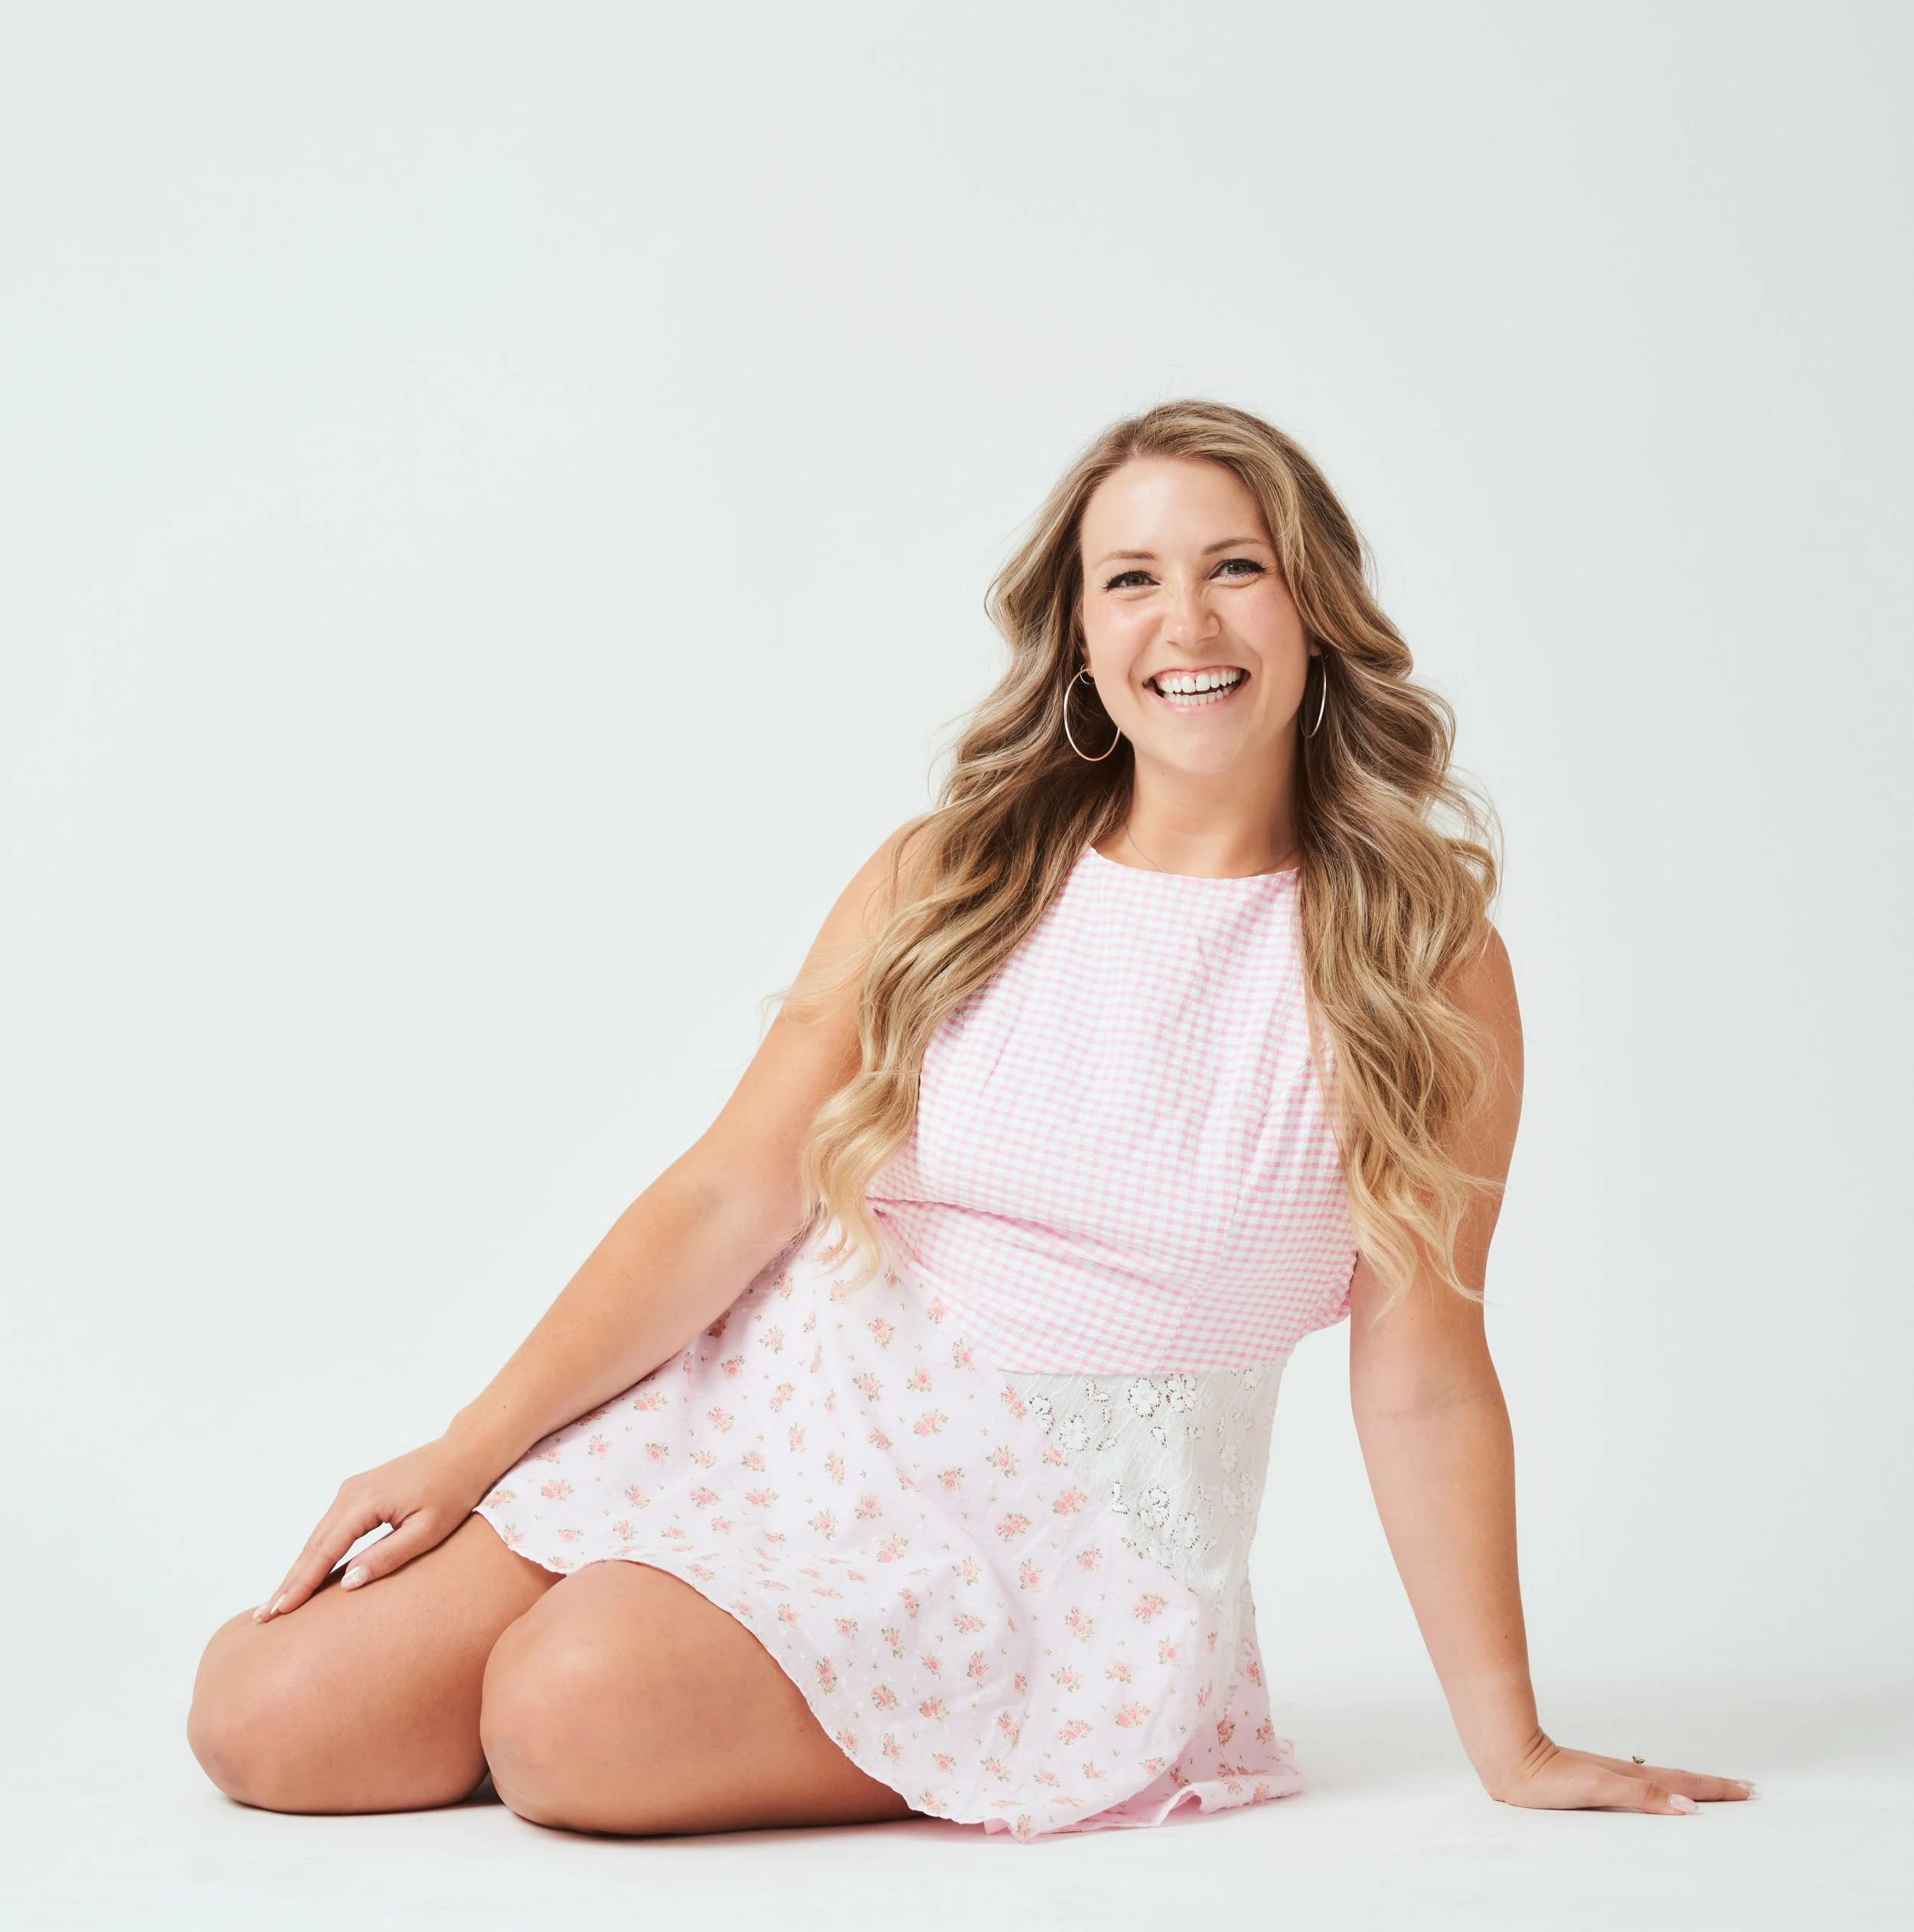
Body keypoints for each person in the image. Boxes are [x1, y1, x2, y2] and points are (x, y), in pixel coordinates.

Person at [188, 400, 1751, 1839]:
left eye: (1234, 569)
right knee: (263, 1719)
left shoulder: (1420, 959)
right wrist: (468, 1451)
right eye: (1130, 580)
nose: (1185, 623)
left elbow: (1419, 1373)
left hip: (1052, 1549)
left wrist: (1511, 1745)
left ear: (1312, 608)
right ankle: (646, 1652)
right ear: (1078, 635)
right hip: (772, 1421)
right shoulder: (952, 875)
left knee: (567, 1714)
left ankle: (668, 1678)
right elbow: (728, 1195)